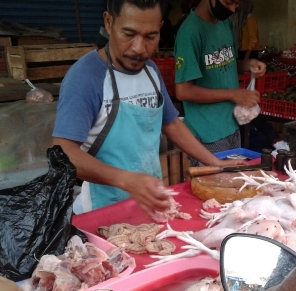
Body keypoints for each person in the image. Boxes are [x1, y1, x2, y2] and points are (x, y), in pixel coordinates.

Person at [52, 0, 246, 216]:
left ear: (160, 28)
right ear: (108, 23)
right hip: (102, 211)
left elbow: (170, 123)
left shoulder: (151, 71)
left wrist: (215, 163)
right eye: (129, 34)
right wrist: (127, 181)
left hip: (151, 207)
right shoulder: (86, 77)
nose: (139, 49)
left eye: (150, 37)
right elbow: (63, 153)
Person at [174, 0, 267, 166]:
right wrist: (234, 95)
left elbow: (228, 64)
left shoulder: (225, 23)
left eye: (237, 4)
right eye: (229, 2)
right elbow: (183, 91)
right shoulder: (190, 32)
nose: (232, 9)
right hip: (207, 133)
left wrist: (249, 64)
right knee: (213, 187)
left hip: (231, 125)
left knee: (232, 185)